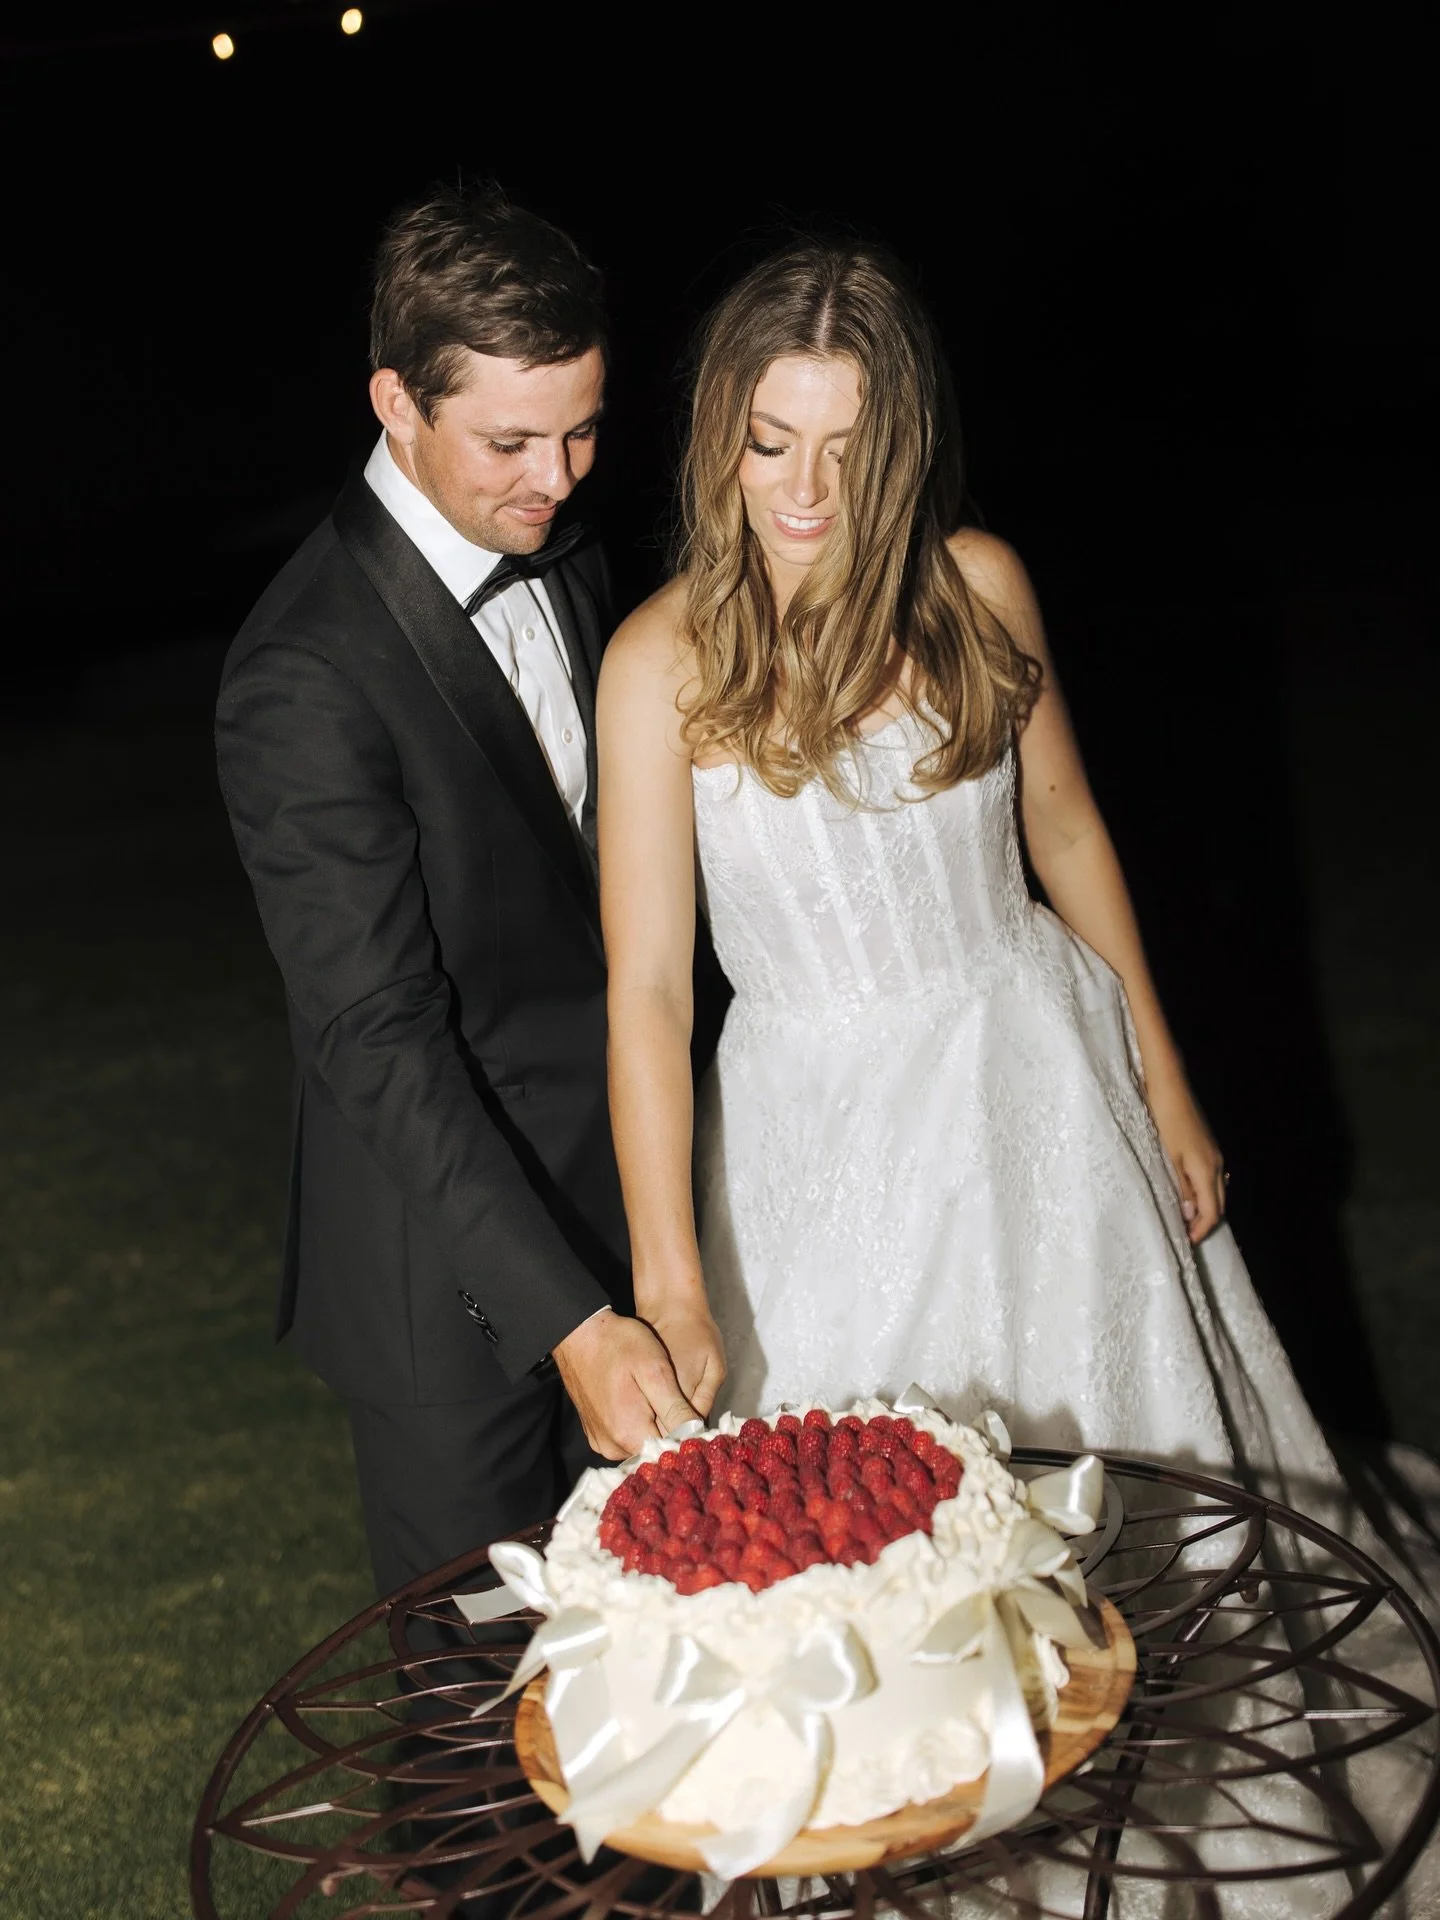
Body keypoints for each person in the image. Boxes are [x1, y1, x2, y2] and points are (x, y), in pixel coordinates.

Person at [596, 237, 1341, 1499]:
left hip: (1037, 1093)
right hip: (813, 1154)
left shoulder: (979, 588)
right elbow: (652, 991)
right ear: (721, 431)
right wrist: (669, 1280)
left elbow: (1068, 837)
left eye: (848, 446)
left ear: (902, 442)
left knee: (1121, 1497)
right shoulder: (656, 666)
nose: (806, 490)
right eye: (771, 440)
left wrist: (1165, 1084)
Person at [216, 184, 697, 1608]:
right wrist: (573, 1323)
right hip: (454, 1297)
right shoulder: (301, 673)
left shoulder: (571, 548)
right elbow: (378, 1037)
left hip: (638, 1203)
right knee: (485, 1723)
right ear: (393, 401)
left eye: (584, 428)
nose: (556, 478)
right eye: (509, 440)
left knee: (669, 1668)